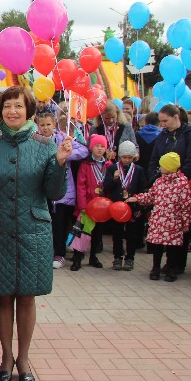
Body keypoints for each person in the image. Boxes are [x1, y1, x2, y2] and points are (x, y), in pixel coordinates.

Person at [0, 86, 71, 381]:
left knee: (27, 296)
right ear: (0, 110)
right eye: (8, 106)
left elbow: (54, 193)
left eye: (19, 106)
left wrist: (59, 163)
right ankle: (6, 358)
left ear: (29, 110)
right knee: (3, 295)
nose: (13, 112)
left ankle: (24, 359)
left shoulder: (46, 145)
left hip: (34, 231)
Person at [148, 105, 191, 274]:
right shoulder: (162, 136)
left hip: (182, 187)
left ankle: (178, 263)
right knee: (161, 227)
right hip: (162, 187)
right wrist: (154, 179)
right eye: (161, 121)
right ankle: (161, 264)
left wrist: (179, 181)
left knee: (181, 227)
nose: (163, 124)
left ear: (176, 116)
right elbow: (154, 159)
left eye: (165, 120)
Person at [128, 153, 191, 282]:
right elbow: (150, 196)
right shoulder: (159, 181)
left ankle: (171, 268)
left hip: (174, 221)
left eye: (162, 165)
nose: (160, 168)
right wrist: (137, 198)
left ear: (169, 167)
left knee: (172, 247)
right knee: (157, 246)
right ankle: (155, 268)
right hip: (158, 219)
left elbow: (187, 205)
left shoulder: (182, 183)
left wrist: (186, 223)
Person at [48, 113, 88, 269]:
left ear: (54, 126)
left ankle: (60, 253)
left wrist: (67, 154)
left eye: (48, 125)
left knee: (60, 224)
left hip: (64, 193)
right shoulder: (38, 139)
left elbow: (84, 151)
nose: (45, 128)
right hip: (44, 190)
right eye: (42, 125)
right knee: (48, 225)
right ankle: (49, 252)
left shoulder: (64, 139)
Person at [102, 141, 146, 270]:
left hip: (132, 207)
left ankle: (130, 258)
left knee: (132, 234)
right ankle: (117, 257)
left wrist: (137, 199)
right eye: (124, 157)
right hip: (117, 207)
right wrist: (114, 179)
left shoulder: (138, 170)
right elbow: (106, 187)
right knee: (117, 234)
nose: (126, 160)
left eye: (129, 157)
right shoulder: (112, 168)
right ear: (119, 156)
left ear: (134, 157)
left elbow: (143, 187)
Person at [72, 134, 111, 271]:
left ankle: (93, 256)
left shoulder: (109, 165)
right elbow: (81, 185)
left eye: (102, 146)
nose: (99, 149)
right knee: (82, 232)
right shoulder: (86, 164)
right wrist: (82, 205)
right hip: (87, 206)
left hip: (102, 207)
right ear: (91, 147)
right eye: (97, 146)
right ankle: (77, 257)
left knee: (97, 233)